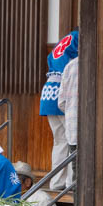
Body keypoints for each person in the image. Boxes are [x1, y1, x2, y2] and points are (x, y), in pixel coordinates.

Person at [40, 29, 78, 191]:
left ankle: (56, 182)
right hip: (64, 88)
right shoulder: (80, 38)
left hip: (49, 89)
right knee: (71, 140)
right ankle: (70, 183)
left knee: (59, 141)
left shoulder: (64, 40)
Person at [57, 56, 79, 179]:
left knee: (78, 176)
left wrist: (72, 112)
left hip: (74, 129)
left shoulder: (70, 66)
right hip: (95, 135)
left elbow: (61, 102)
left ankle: (77, 198)